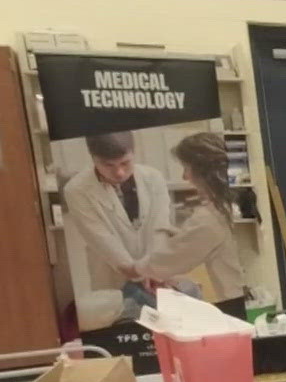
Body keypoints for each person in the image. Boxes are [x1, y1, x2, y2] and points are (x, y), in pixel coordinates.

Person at [136, 132, 247, 316]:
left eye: (186, 168)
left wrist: (138, 270)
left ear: (201, 170)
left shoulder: (210, 217)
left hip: (233, 307)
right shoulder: (228, 205)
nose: (185, 176)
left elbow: (171, 257)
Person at [62, 131, 169, 319]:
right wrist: (139, 271)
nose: (119, 172)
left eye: (125, 163)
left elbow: (160, 228)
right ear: (93, 158)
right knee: (120, 326)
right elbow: (102, 239)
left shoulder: (154, 178)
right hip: (112, 275)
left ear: (133, 153)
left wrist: (154, 268)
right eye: (108, 165)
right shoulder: (76, 190)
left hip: (155, 274)